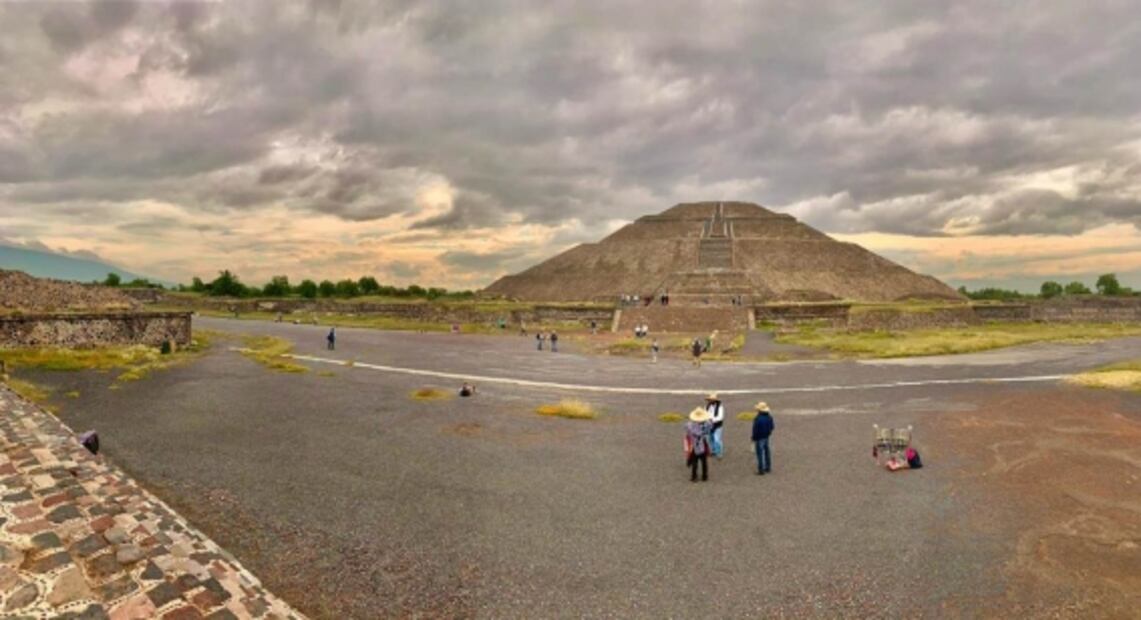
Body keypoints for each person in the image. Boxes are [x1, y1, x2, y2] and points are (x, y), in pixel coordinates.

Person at [685, 407, 713, 482]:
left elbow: (687, 431)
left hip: (695, 444)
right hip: (703, 443)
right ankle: (705, 476)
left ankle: (694, 477)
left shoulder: (690, 425)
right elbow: (710, 427)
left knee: (695, 461)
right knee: (704, 461)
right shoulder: (707, 424)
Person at [751, 402, 775, 475]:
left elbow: (755, 430)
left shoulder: (757, 419)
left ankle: (761, 469)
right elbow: (772, 427)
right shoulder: (769, 417)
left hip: (759, 438)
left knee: (760, 454)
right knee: (767, 451)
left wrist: (753, 438)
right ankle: (768, 467)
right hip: (766, 436)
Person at [705, 393, 726, 458]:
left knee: (717, 439)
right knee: (711, 439)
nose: (710, 401)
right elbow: (705, 414)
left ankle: (719, 453)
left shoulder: (720, 407)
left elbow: (720, 417)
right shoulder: (707, 406)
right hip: (709, 425)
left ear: (715, 400)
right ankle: (714, 451)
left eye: (712, 400)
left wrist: (712, 419)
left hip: (717, 425)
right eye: (710, 400)